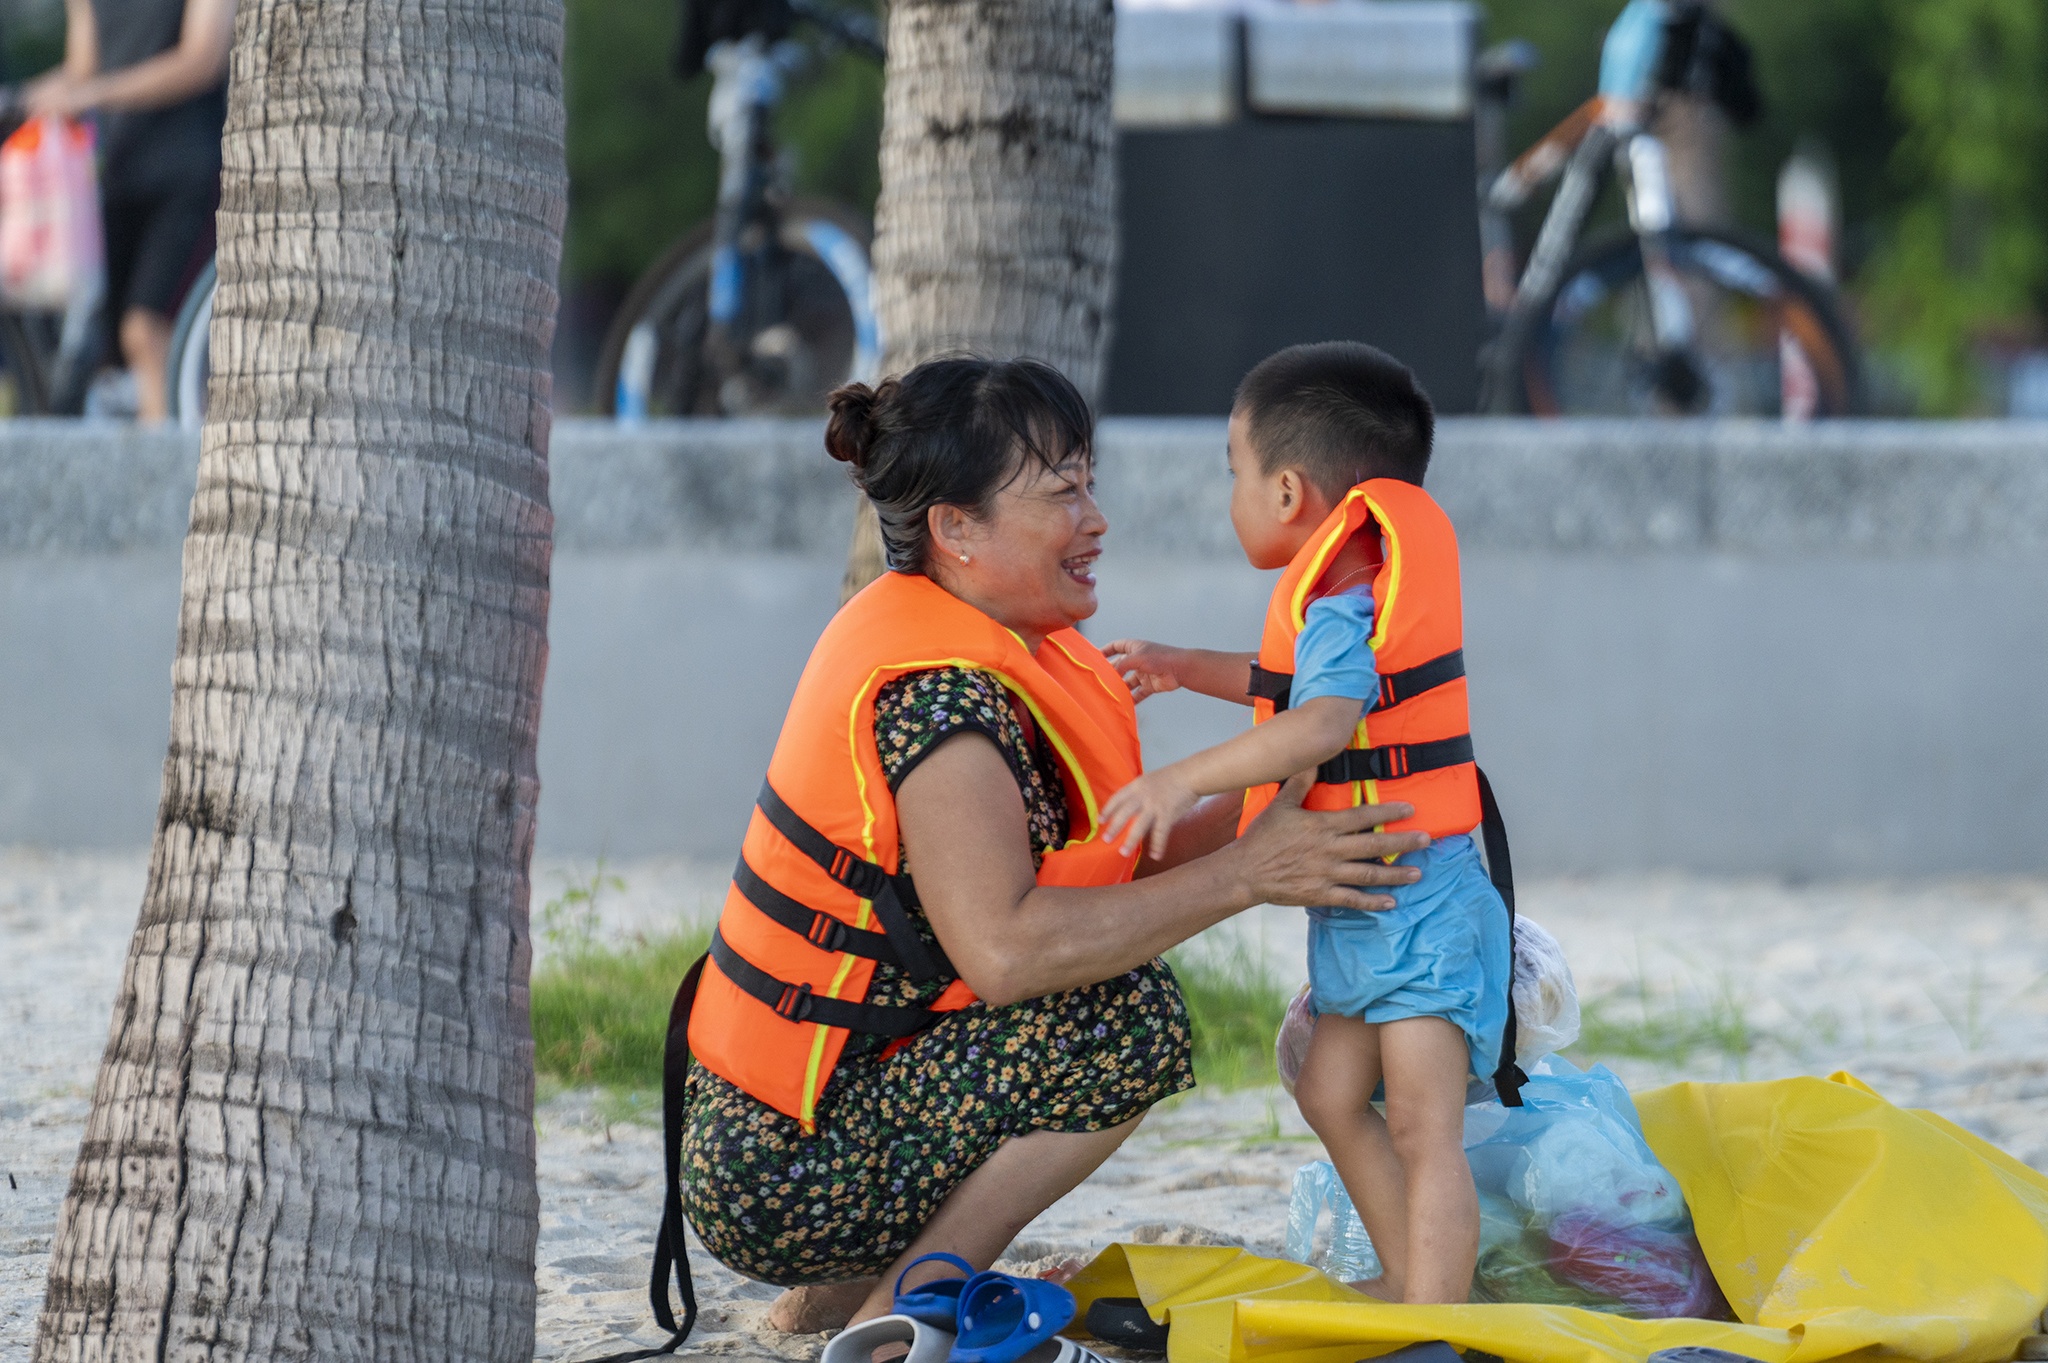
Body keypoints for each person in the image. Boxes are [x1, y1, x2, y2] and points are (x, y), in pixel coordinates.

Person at [679, 355, 1431, 1333]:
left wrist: (1284, 808)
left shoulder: (1009, 651)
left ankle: (830, 1303)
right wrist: (1251, 873)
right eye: (1059, 490)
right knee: (1120, 1022)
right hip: (778, 1167)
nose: (1095, 517)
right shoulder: (939, 701)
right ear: (954, 530)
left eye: (1088, 479)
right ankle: (907, 1312)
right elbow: (1006, 951)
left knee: (1105, 997)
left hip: (832, 1098)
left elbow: (1118, 858)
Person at [1101, 341, 1512, 1305]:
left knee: (1422, 1125)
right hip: (1372, 903)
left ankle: (1436, 1315)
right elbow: (1286, 680)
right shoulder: (1348, 590)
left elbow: (1322, 721)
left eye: (1233, 475)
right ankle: (1411, 1273)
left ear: (1287, 493)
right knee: (1330, 1093)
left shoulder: (1339, 604)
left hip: (1418, 906)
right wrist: (1181, 662)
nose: (1231, 496)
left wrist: (1178, 782)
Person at [26, 0, 233, 421]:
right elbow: (83, 68)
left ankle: (170, 472)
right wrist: (37, 96)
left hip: (191, 168)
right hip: (119, 173)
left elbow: (203, 58)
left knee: (146, 330)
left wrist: (94, 93)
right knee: (104, 345)